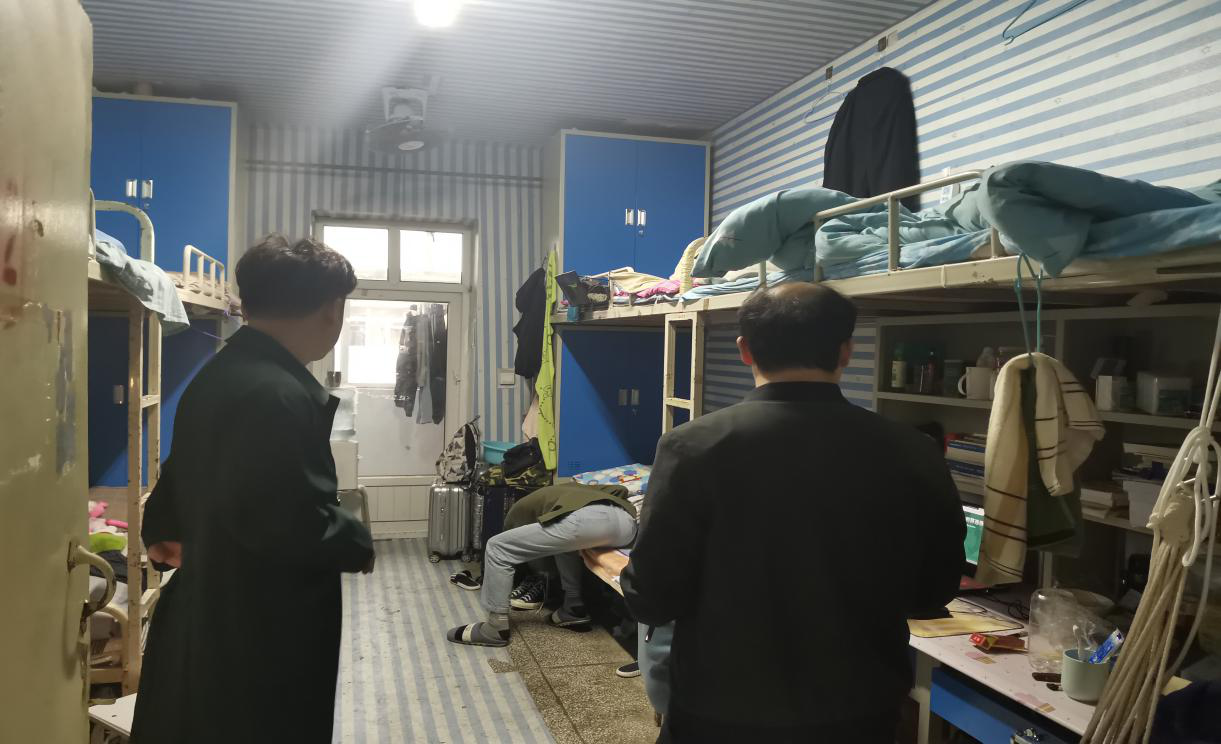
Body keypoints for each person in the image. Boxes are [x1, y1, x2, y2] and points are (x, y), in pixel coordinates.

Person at [622, 283, 965, 743]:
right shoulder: (915, 450)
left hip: (721, 709)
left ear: (745, 350)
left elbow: (652, 595)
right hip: (859, 711)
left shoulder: (692, 446)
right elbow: (933, 592)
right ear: (846, 351)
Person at [132, 236, 375, 744]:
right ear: (332, 309)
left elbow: (177, 485)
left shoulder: (224, 373)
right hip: (259, 632)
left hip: (215, 609)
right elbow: (294, 523)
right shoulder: (277, 393)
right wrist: (355, 539)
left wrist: (166, 526)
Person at [447, 482, 637, 647]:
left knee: (497, 547)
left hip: (584, 522)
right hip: (627, 524)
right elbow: (621, 489)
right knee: (566, 546)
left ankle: (495, 628)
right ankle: (573, 607)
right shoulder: (587, 490)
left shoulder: (520, 508)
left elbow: (527, 552)